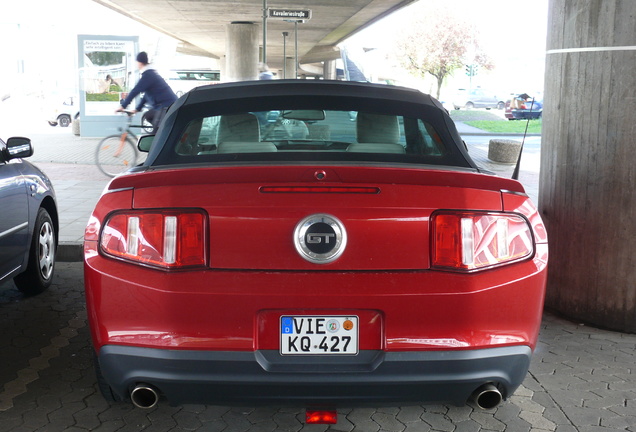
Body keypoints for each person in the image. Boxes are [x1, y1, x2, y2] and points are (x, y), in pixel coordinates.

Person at [116, 52, 177, 132]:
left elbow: (135, 90)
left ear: (140, 62)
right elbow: (146, 95)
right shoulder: (150, 74)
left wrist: (123, 106)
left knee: (156, 134)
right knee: (148, 116)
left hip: (166, 106)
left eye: (136, 62)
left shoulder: (148, 75)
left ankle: (160, 135)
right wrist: (137, 109)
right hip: (164, 106)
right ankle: (163, 133)